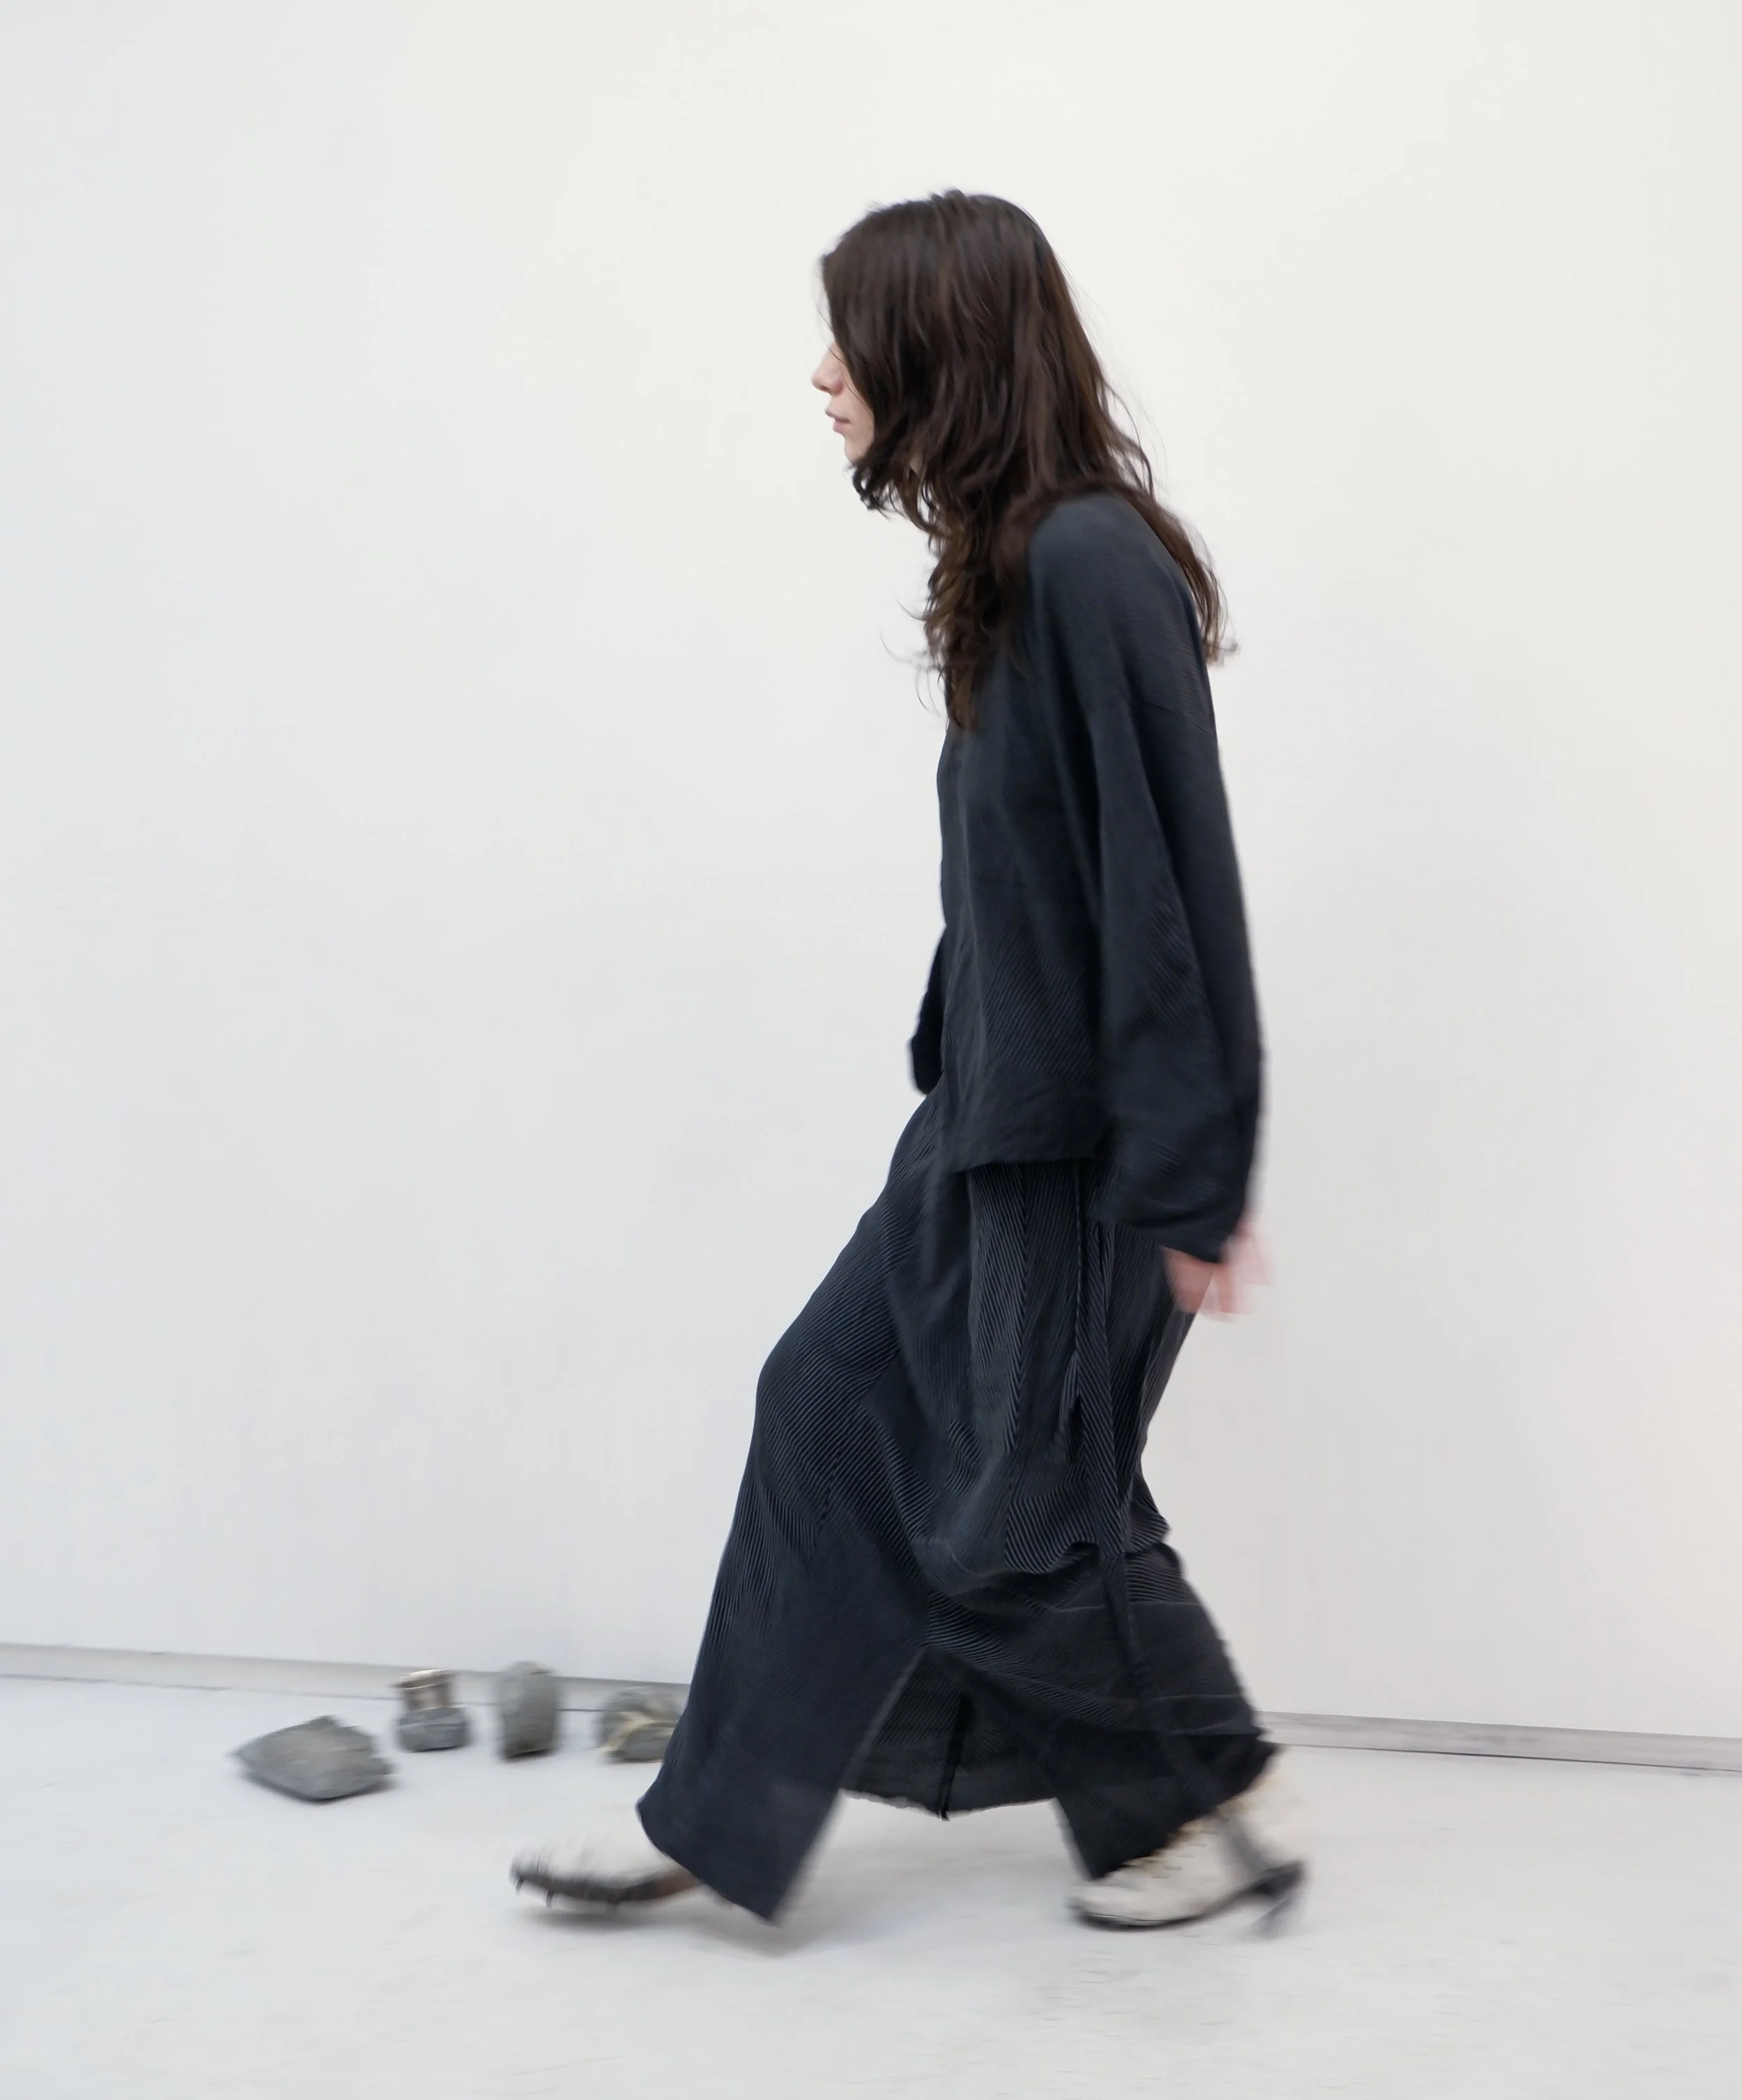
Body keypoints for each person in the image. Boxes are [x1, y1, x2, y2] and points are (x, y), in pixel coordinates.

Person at [513, 191, 1302, 1931]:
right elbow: (1022, 879)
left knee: (1007, 1514)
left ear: (937, 350)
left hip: (1075, 1154)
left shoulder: (1095, 561)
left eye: (846, 338)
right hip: (982, 1124)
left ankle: (1190, 1790)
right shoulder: (1011, 566)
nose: (819, 374)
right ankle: (715, 1813)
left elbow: (1166, 888)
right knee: (825, 1404)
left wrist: (1187, 1174)